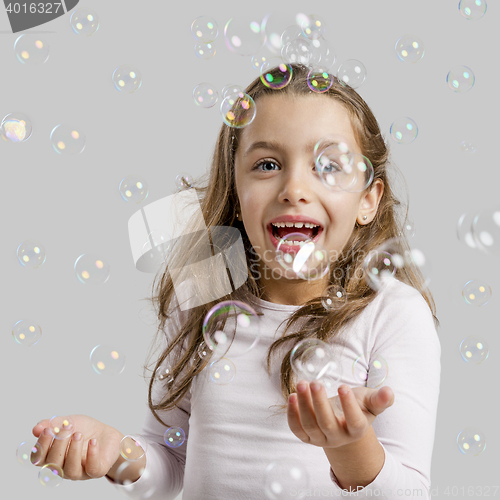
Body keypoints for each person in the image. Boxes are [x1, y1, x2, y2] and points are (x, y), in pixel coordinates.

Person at [30, 63, 441, 499]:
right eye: (266, 164)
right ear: (236, 191)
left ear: (368, 201)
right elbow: (173, 461)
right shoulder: (203, 293)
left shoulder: (392, 314)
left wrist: (351, 448)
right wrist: (115, 453)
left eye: (329, 166)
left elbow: (410, 493)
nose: (294, 188)